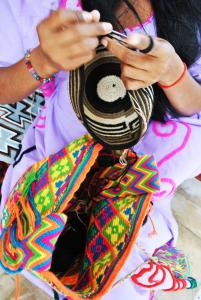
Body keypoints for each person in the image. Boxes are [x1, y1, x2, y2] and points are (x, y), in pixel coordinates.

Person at [0, 0, 201, 299]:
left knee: (125, 260)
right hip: (61, 170)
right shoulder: (28, 6)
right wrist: (42, 60)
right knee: (65, 259)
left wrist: (173, 73)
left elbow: (195, 103)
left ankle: (149, 249)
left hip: (152, 180)